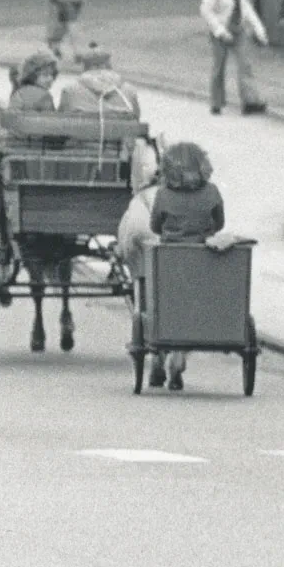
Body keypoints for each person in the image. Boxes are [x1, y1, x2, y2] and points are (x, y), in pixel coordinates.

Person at [147, 142, 225, 391]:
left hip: (171, 259)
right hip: (204, 259)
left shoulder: (162, 195)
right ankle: (180, 360)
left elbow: (154, 227)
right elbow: (219, 223)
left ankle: (160, 356)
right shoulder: (212, 192)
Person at [115, 152, 185, 389]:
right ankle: (177, 360)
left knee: (147, 295)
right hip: (179, 253)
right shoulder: (186, 198)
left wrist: (122, 255)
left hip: (143, 246)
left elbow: (127, 241)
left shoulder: (141, 199)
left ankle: (157, 358)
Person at [200, 0, 270, 116]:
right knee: (219, 66)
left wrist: (260, 31)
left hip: (238, 30)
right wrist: (220, 31)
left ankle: (249, 102)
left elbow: (246, 10)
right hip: (220, 31)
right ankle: (216, 102)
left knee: (245, 66)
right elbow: (206, 10)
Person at [56, 43, 140, 117]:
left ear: (85, 67)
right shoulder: (129, 90)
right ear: (109, 66)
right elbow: (137, 117)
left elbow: (61, 117)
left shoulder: (69, 90)